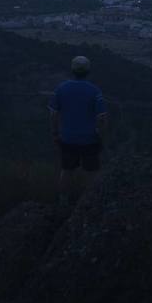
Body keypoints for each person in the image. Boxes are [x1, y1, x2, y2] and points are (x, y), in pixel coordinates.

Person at [48, 55, 107, 206]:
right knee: (92, 173)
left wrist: (55, 133)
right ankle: (91, 203)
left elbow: (53, 114)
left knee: (66, 170)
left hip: (67, 138)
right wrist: (100, 136)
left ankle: (63, 202)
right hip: (89, 140)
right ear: (88, 71)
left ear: (72, 70)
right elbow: (101, 118)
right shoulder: (95, 91)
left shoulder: (61, 89)